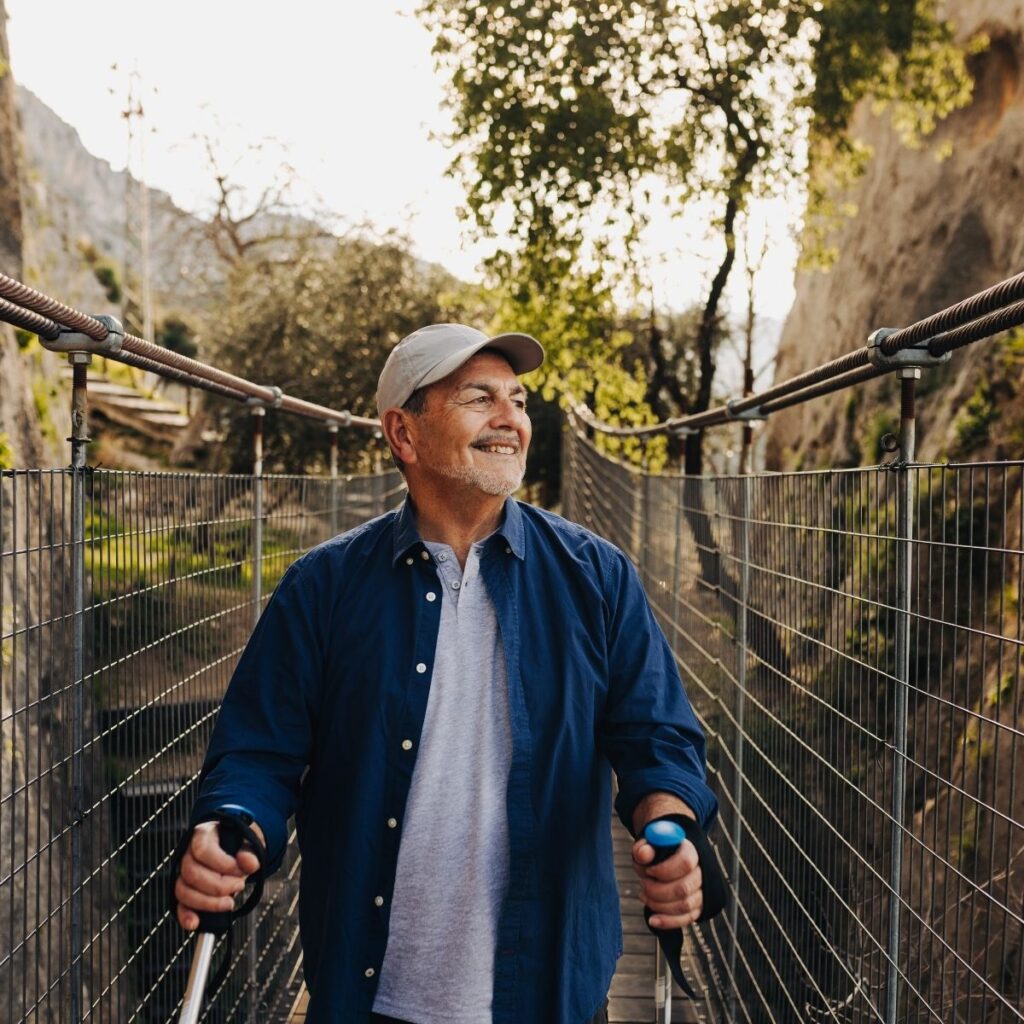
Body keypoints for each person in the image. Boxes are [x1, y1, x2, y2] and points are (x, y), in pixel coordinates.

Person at [172, 323, 723, 1024]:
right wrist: (233, 825)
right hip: (368, 998)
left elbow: (659, 740)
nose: (511, 420)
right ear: (403, 433)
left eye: (518, 401)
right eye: (478, 398)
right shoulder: (323, 586)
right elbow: (259, 751)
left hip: (550, 993)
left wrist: (670, 824)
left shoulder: (598, 577)